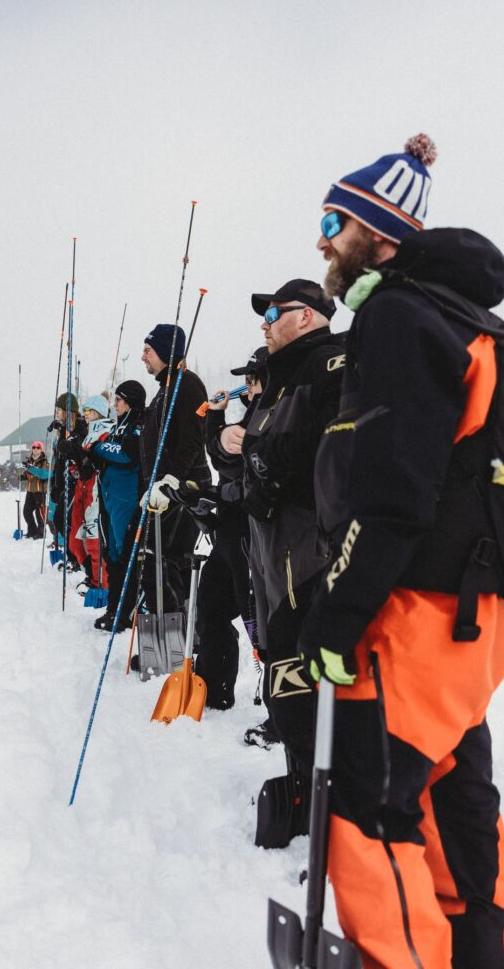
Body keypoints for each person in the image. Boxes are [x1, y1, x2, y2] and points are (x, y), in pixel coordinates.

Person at [298, 134, 504, 967]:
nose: (320, 239)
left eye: (331, 220)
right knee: (455, 800)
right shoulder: (475, 322)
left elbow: (391, 492)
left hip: (411, 616)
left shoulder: (395, 317)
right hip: (473, 615)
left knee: (370, 810)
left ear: (378, 235)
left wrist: (334, 616)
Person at [241, 279, 345, 843]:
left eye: (273, 313)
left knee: (297, 657)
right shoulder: (276, 384)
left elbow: (328, 449)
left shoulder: (330, 364)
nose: (265, 322)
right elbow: (256, 452)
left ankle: (322, 792)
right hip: (266, 536)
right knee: (276, 656)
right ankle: (302, 778)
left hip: (306, 538)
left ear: (306, 317)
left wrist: (265, 462)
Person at [190, 347, 268, 709]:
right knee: (210, 608)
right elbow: (220, 458)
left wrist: (218, 427)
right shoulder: (251, 413)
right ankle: (214, 689)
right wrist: (216, 417)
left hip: (253, 539)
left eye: (252, 379)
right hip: (229, 533)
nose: (247, 386)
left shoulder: (269, 416)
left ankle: (276, 708)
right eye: (246, 379)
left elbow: (232, 465)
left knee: (260, 624)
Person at [139, 323, 210, 612]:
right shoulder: (164, 389)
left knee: (162, 559)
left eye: (148, 350)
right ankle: (180, 637)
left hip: (182, 488)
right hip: (163, 490)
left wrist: (171, 481)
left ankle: (174, 641)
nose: (143, 357)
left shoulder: (187, 384)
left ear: (165, 352)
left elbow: (193, 439)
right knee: (164, 560)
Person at [88, 379, 147, 632]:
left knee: (125, 556)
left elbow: (127, 454)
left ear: (130, 402)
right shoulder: (118, 427)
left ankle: (126, 610)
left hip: (127, 499)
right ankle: (114, 608)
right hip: (109, 498)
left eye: (119, 401)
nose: (115, 405)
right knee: (112, 555)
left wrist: (98, 448)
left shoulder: (137, 426)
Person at [58, 395, 112, 592]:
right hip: (83, 484)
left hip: (96, 486)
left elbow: (96, 453)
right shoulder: (90, 430)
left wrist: (78, 451)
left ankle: (102, 584)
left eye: (89, 411)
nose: (85, 415)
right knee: (75, 538)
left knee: (94, 537)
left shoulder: (106, 429)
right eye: (85, 411)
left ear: (97, 411)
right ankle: (91, 573)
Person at [50, 392, 85, 571]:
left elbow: (80, 450)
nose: (57, 413)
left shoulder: (79, 428)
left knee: (69, 521)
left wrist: (69, 443)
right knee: (59, 519)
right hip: (63, 482)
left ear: (67, 411)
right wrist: (55, 486)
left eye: (60, 410)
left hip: (77, 483)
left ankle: (77, 559)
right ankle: (73, 557)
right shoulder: (63, 429)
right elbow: (58, 461)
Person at [22, 441, 49, 538]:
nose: (35, 449)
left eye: (38, 448)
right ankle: (32, 530)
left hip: (40, 491)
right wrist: (23, 475)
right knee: (26, 512)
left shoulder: (44, 461)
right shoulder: (29, 461)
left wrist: (30, 468)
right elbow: (27, 474)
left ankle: (41, 533)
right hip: (30, 491)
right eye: (34, 447)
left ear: (41, 450)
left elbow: (43, 474)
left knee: (39, 513)